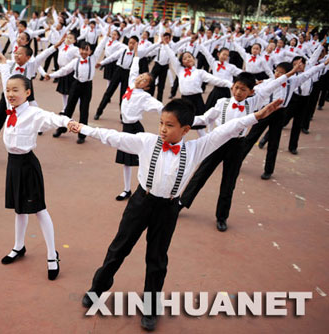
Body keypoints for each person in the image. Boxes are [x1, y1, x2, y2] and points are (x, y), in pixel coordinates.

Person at [71, 98, 285, 332]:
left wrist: (256, 117)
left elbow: (225, 130)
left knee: (157, 259)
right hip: (141, 203)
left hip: (168, 209)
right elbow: (112, 136)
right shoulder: (146, 141)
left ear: (185, 129)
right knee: (119, 248)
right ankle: (97, 289)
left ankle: (151, 308)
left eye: (170, 125)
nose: (162, 128)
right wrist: (83, 128)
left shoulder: (195, 148)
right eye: (161, 122)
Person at [179, 69, 298, 232]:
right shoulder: (222, 102)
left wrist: (293, 72)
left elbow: (274, 84)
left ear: (251, 91)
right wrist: (183, 121)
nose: (238, 92)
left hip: (237, 145)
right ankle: (181, 204)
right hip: (217, 142)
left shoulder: (254, 102)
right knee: (201, 174)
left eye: (243, 89)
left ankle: (222, 217)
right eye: (236, 87)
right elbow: (205, 119)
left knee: (229, 181)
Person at [0, 74, 73, 280]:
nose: (11, 94)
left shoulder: (33, 113)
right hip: (12, 164)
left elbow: (52, 118)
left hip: (27, 165)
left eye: (16, 90)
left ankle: (52, 255)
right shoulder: (11, 109)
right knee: (19, 209)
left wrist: (68, 122)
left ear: (28, 92)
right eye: (8, 90)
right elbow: (5, 74)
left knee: (39, 210)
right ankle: (18, 246)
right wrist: (4, 63)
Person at [114, 46, 163, 201]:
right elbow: (133, 71)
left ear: (147, 87)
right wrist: (136, 56)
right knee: (126, 162)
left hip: (135, 129)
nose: (140, 79)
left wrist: (168, 118)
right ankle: (126, 189)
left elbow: (160, 107)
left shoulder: (144, 97)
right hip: (125, 128)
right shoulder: (130, 85)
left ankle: (147, 187)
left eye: (145, 81)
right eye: (142, 76)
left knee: (144, 159)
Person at [47, 34, 109, 144]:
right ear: (79, 50)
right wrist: (51, 75)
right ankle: (62, 128)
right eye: (82, 49)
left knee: (84, 110)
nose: (84, 52)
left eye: (86, 50)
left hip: (87, 86)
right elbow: (64, 70)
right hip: (75, 85)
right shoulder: (75, 61)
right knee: (69, 108)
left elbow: (100, 46)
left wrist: (106, 36)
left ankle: (82, 134)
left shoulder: (93, 59)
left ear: (90, 51)